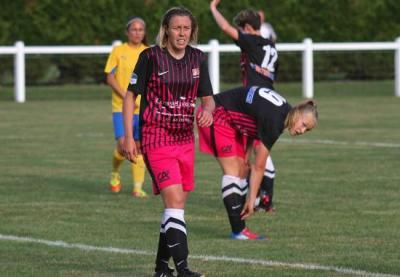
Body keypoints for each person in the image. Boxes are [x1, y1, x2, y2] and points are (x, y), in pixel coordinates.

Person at [121, 6, 214, 277]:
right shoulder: (150, 56)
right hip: (156, 138)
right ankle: (183, 269)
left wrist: (207, 111)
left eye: (186, 28)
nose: (182, 33)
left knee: (177, 206)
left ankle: (161, 269)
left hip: (186, 140)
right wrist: (129, 136)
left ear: (192, 31)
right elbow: (130, 96)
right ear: (166, 30)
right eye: (176, 28)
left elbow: (208, 97)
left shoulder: (198, 58)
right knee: (174, 202)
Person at [198, 86, 318, 239]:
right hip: (215, 114)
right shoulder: (276, 121)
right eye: (304, 124)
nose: (302, 130)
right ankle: (238, 231)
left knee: (243, 169)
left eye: (306, 130)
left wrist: (246, 154)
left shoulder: (283, 111)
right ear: (298, 112)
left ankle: (240, 229)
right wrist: (252, 200)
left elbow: (252, 120)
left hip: (229, 120)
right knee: (234, 171)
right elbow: (259, 167)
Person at [210, 0, 279, 239]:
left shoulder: (250, 40)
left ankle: (252, 208)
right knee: (246, 163)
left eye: (243, 28)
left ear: (248, 28)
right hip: (265, 101)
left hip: (251, 102)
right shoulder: (271, 45)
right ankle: (254, 208)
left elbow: (226, 29)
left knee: (251, 164)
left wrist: (213, 9)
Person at [104, 17, 149, 197]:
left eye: (140, 30)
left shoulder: (149, 52)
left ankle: (137, 188)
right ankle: (115, 173)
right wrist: (126, 96)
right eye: (134, 29)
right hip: (120, 107)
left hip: (143, 109)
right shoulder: (118, 51)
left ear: (144, 33)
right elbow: (110, 76)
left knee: (139, 148)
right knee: (124, 146)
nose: (137, 33)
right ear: (127, 32)